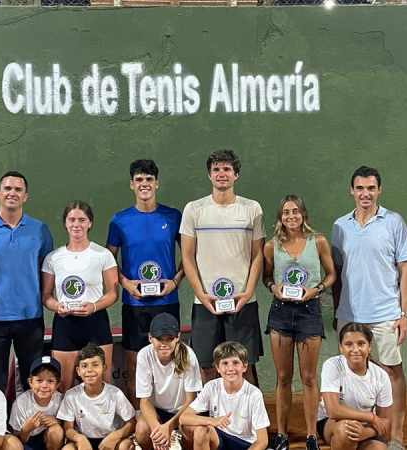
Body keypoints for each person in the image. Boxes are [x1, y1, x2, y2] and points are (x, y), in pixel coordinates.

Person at [330, 165, 407, 450]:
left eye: (371, 188)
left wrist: (404, 314)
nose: (365, 193)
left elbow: (405, 270)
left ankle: (397, 436)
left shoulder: (394, 222)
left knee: (391, 373)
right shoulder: (340, 226)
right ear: (352, 191)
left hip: (387, 315)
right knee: (351, 373)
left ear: (379, 190)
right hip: (349, 316)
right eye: (360, 188)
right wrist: (336, 311)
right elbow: (337, 275)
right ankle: (358, 430)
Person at [180, 150, 265, 385]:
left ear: (235, 174)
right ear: (209, 175)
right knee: (206, 366)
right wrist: (200, 294)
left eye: (227, 169)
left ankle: (251, 421)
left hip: (243, 302)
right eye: (216, 169)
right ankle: (209, 421)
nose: (221, 173)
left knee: (244, 367)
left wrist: (247, 292)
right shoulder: (194, 209)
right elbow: (187, 257)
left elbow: (257, 255)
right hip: (206, 303)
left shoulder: (252, 209)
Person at [106, 159, 185, 407]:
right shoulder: (119, 220)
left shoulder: (173, 217)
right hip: (134, 305)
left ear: (157, 183)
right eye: (139, 180)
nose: (144, 184)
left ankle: (171, 424)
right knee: (134, 366)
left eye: (149, 179)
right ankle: (138, 425)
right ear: (132, 184)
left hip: (167, 303)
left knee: (171, 365)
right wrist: (125, 283)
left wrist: (175, 281)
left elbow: (190, 257)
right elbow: (108, 259)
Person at [0, 171, 54, 392]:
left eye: (18, 189)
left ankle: (32, 427)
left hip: (30, 317)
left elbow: (49, 271)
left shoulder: (40, 230)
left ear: (25, 196)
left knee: (32, 380)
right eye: (7, 188)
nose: (12, 193)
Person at [261, 195, 336, 450]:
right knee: (283, 377)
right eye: (285, 213)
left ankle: (311, 435)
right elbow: (266, 276)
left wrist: (318, 289)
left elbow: (331, 274)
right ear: (279, 217)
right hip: (281, 312)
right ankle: (281, 435)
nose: (290, 216)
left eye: (295, 211)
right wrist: (273, 287)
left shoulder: (319, 242)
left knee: (308, 377)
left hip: (309, 311)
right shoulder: (272, 246)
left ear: (303, 213)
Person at [41, 201, 119, 391]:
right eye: (72, 220)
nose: (77, 224)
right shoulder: (53, 257)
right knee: (64, 385)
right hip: (65, 325)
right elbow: (46, 295)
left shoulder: (103, 255)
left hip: (96, 323)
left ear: (90, 223)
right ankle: (65, 422)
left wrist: (93, 306)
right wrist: (56, 306)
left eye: (82, 220)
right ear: (65, 223)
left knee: (102, 383)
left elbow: (112, 293)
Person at [179, 341, 270, 450]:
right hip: (220, 437)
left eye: (235, 363)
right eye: (225, 363)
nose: (230, 369)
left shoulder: (254, 394)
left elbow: (262, 440)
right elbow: (184, 418)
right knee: (199, 430)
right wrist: (214, 421)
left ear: (244, 367)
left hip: (244, 443)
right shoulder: (212, 387)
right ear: (217, 368)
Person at [317, 323, 392, 450]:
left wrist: (365, 433)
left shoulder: (381, 376)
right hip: (332, 423)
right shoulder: (332, 365)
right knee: (347, 430)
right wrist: (372, 417)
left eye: (361, 344)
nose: (355, 349)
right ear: (341, 347)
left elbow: (385, 420)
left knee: (379, 448)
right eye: (348, 344)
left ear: (370, 347)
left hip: (366, 427)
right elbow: (333, 411)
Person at [135, 314, 203, 450]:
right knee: (142, 431)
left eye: (169, 339)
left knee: (193, 430)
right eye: (159, 339)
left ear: (178, 337)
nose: (164, 344)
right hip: (157, 410)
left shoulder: (188, 355)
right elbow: (144, 401)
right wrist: (157, 430)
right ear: (150, 338)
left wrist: (169, 427)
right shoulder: (144, 355)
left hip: (183, 410)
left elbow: (191, 399)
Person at [57, 343, 136, 450]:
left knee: (124, 446)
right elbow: (68, 428)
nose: (90, 370)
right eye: (84, 366)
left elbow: (131, 423)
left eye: (95, 365)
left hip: (109, 438)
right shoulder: (71, 395)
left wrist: (115, 436)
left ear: (104, 368)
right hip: (84, 440)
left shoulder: (115, 393)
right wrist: (79, 438)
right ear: (78, 371)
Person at [10, 356, 65, 450]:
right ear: (30, 382)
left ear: (58, 384)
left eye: (50, 381)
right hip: (27, 440)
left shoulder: (61, 399)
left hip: (48, 439)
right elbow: (17, 439)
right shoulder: (21, 403)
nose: (44, 386)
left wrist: (57, 421)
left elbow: (67, 427)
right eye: (39, 380)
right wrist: (26, 429)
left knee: (56, 430)